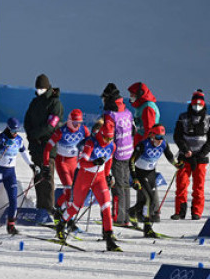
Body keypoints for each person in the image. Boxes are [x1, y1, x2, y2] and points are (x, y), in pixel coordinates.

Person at [55, 120, 121, 252]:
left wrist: (108, 175)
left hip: (99, 177)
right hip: (84, 177)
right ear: (101, 134)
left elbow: (109, 160)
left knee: (106, 206)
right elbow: (81, 162)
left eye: (111, 138)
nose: (108, 141)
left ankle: (109, 239)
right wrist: (94, 162)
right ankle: (61, 223)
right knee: (76, 206)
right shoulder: (91, 143)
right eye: (106, 138)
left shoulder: (112, 146)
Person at [0, 118, 37, 235]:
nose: (15, 133)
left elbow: (24, 153)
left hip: (10, 173)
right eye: (13, 130)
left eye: (17, 130)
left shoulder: (18, 139)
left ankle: (11, 225)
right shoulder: (1, 137)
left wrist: (32, 165)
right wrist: (3, 144)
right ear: (8, 128)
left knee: (13, 199)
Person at [24, 74, 64, 214]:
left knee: (47, 179)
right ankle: (40, 209)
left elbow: (51, 126)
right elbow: (27, 121)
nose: (39, 90)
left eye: (41, 88)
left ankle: (48, 209)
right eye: (37, 88)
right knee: (38, 178)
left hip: (48, 147)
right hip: (35, 147)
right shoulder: (34, 102)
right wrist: (31, 135)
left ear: (47, 87)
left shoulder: (55, 103)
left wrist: (36, 134)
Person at [130, 124, 179, 236]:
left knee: (148, 199)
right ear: (151, 135)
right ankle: (147, 228)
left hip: (151, 172)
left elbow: (170, 156)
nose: (160, 140)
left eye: (162, 137)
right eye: (158, 137)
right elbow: (131, 161)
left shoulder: (164, 145)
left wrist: (176, 164)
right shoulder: (143, 145)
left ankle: (132, 212)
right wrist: (135, 178)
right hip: (140, 173)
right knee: (150, 199)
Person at [43, 109, 90, 220]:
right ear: (69, 121)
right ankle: (66, 218)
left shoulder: (84, 129)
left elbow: (91, 143)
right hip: (62, 162)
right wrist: (46, 166)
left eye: (79, 123)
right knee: (69, 190)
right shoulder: (61, 131)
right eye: (74, 123)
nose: (77, 125)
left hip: (75, 162)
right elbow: (47, 149)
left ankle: (59, 208)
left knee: (77, 192)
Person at [172, 89, 210, 220]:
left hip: (201, 158)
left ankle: (197, 212)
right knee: (181, 185)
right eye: (195, 104)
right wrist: (185, 149)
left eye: (199, 104)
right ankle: (180, 212)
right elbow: (177, 136)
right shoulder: (183, 117)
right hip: (185, 156)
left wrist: (202, 153)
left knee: (198, 186)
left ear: (204, 104)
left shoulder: (208, 119)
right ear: (191, 103)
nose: (197, 106)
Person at [100, 83, 134, 226]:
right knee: (125, 185)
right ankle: (125, 216)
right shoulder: (126, 111)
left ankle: (119, 218)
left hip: (117, 153)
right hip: (128, 151)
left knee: (117, 186)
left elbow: (108, 136)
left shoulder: (110, 114)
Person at [128, 82, 160, 221]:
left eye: (133, 95)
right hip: (141, 147)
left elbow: (149, 130)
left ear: (140, 94)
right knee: (142, 181)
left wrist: (145, 149)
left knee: (147, 182)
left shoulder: (147, 108)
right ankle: (143, 210)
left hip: (145, 149)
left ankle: (151, 212)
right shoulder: (142, 106)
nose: (131, 97)